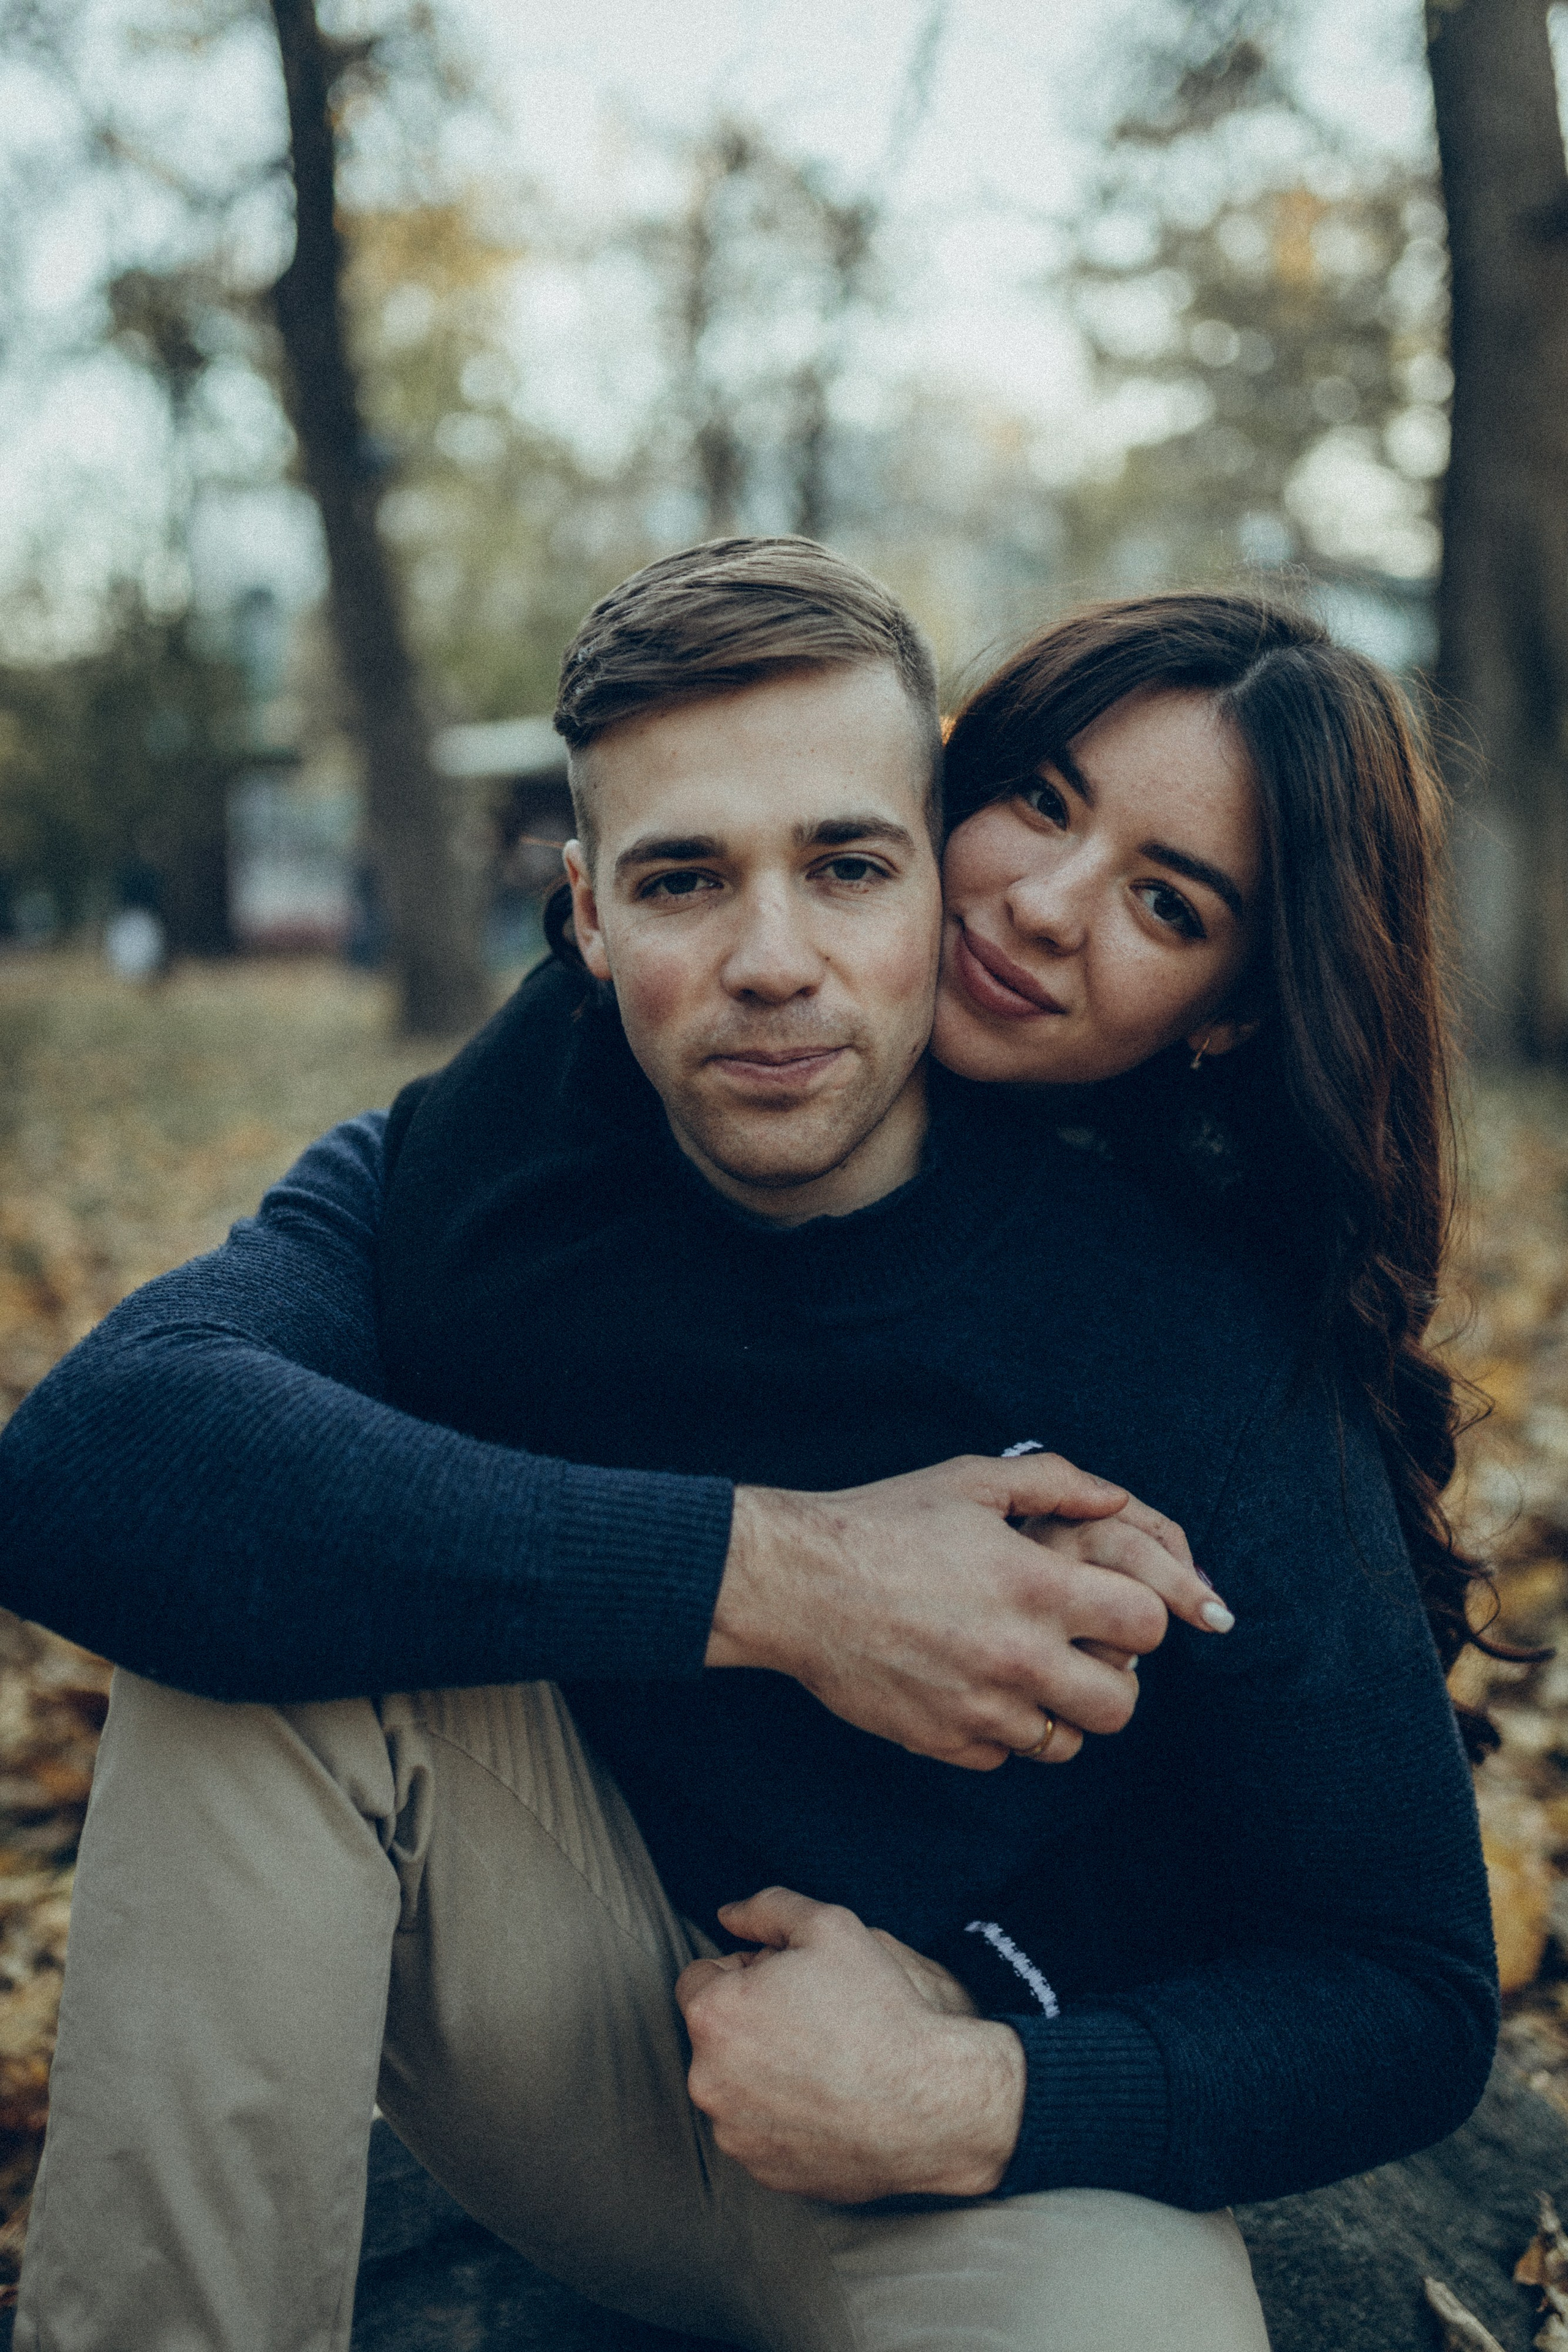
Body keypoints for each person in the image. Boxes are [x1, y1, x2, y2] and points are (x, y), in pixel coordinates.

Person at [1, 542, 1494, 2352]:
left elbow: (1403, 1982)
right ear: (588, 916)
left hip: (965, 2125)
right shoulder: (530, 1127)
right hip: (562, 2024)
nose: (1036, 910)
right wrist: (783, 1576)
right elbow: (102, 1460)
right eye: (1038, 807)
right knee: (240, 1603)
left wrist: (974, 2071)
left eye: (1172, 903)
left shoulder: (1209, 1341)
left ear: (1233, 1006)